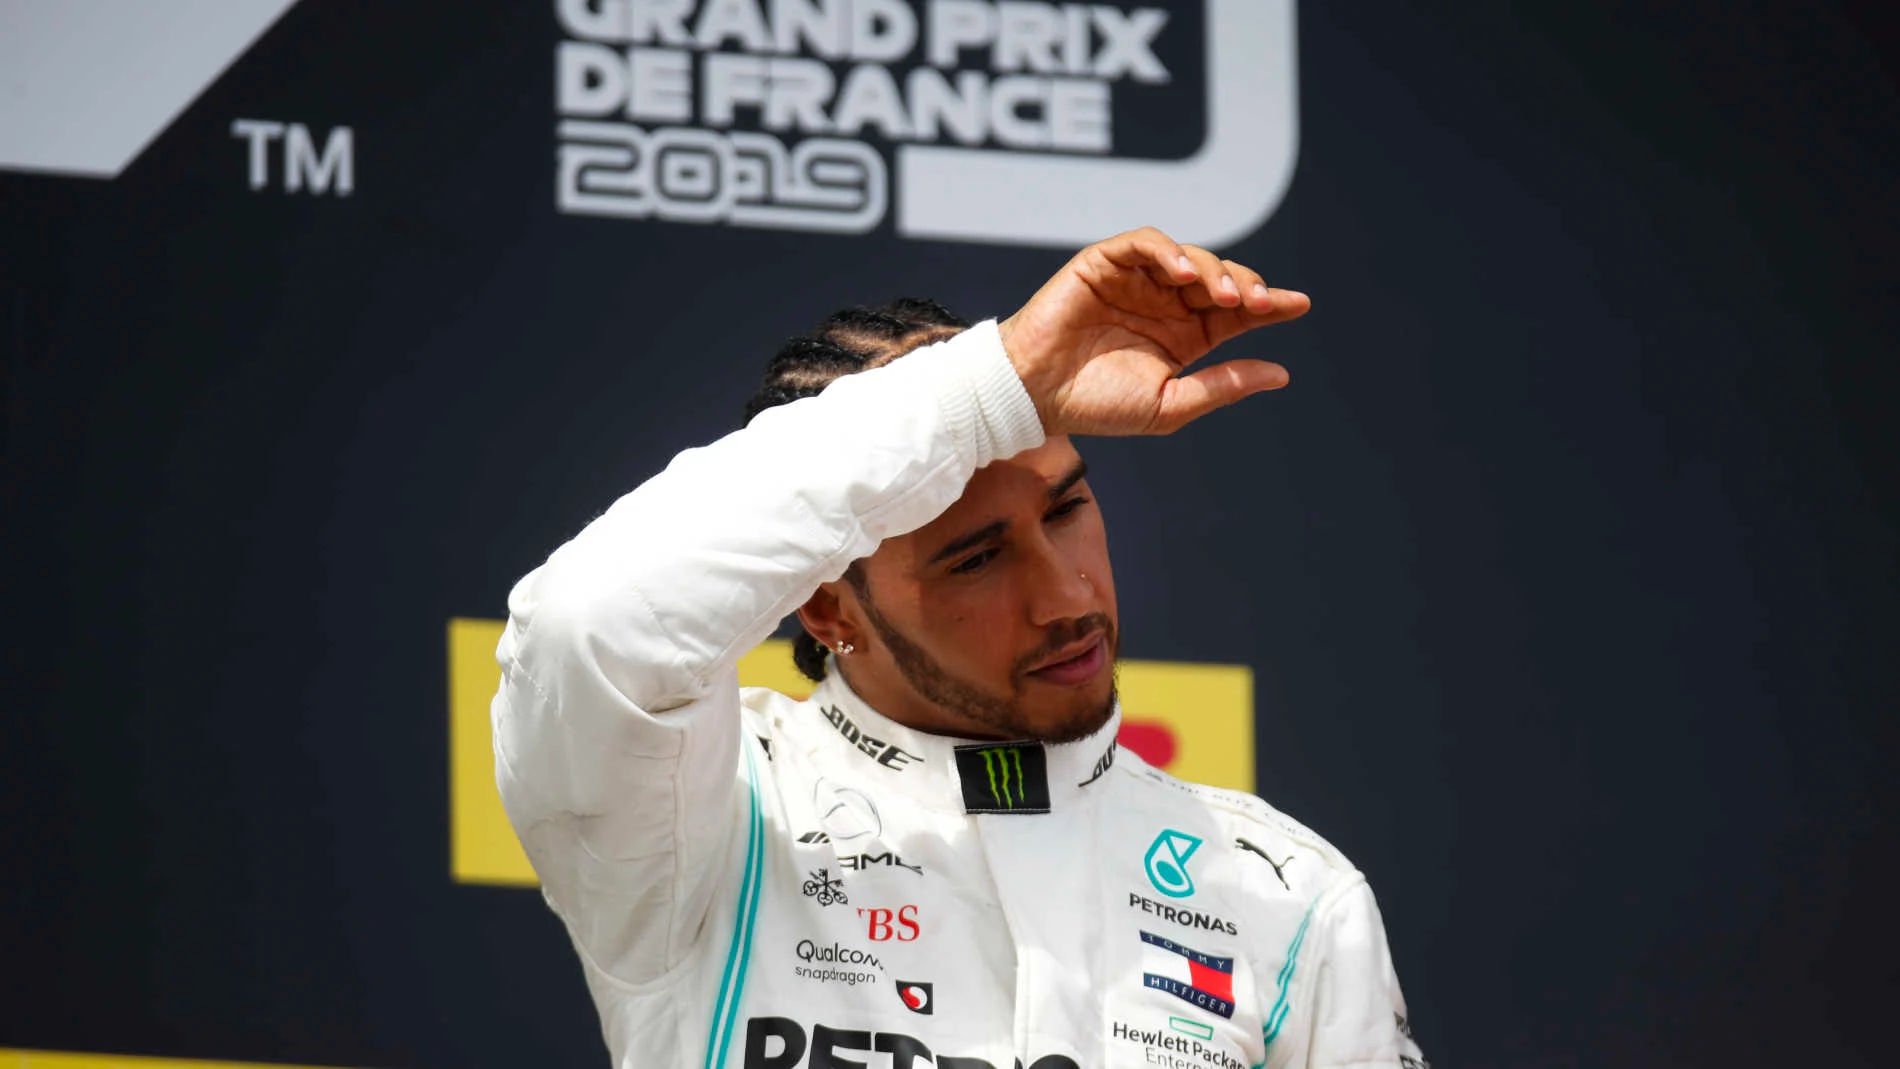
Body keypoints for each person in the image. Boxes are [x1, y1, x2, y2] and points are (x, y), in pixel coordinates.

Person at [491, 228, 1428, 1069]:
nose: (1068, 597)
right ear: (825, 608)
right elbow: (585, 626)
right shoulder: (715, 816)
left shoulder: (1287, 895)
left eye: (1067, 508)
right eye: (976, 560)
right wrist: (994, 385)